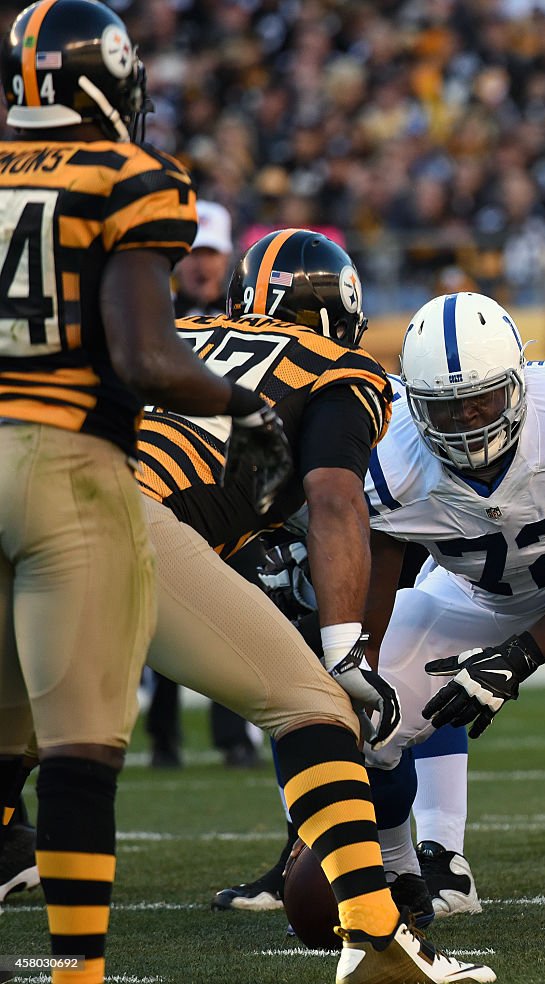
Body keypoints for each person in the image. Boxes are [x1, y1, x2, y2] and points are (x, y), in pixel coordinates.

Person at [219, 290, 545, 934]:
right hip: (473, 593)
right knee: (368, 713)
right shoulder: (388, 451)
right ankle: (404, 876)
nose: (468, 419)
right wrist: (361, 673)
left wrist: (516, 660)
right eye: (446, 407)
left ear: (518, 380)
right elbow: (370, 601)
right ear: (415, 402)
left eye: (482, 398)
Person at [0, 2, 289, 981]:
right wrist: (243, 411)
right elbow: (148, 357)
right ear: (102, 84)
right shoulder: (128, 176)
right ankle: (79, 972)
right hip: (62, 466)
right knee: (82, 741)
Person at [134, 229, 494, 983]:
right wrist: (344, 651)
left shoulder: (183, 328)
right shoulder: (338, 367)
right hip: (122, 523)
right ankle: (377, 940)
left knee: (42, 731)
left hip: (31, 493)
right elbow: (334, 497)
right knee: (315, 707)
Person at [144, 197, 263, 770]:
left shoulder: (247, 319)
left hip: (221, 484)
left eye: (210, 253)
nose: (200, 265)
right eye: (191, 254)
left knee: (230, 609)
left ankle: (233, 736)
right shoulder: (149, 315)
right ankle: (163, 738)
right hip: (160, 479)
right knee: (160, 619)